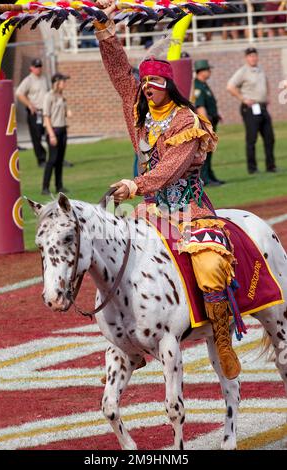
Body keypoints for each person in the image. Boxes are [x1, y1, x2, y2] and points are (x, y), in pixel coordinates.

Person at [92, 0, 244, 381]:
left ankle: (222, 338)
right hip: (148, 212)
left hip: (189, 209)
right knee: (108, 256)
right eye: (144, 83)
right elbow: (119, 77)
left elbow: (171, 168)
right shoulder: (139, 112)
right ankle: (130, 344)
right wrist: (105, 31)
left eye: (155, 83)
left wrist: (134, 183)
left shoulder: (187, 121)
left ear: (169, 86)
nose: (147, 88)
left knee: (209, 267)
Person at [227, 47, 276, 174]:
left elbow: (266, 83)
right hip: (250, 108)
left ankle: (271, 166)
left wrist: (267, 97)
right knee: (252, 138)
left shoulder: (260, 70)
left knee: (269, 137)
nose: (253, 58)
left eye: (254, 56)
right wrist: (243, 99)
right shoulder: (243, 71)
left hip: (262, 107)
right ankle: (252, 168)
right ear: (246, 58)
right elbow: (230, 86)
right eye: (250, 56)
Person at [193, 59, 224, 186]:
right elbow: (200, 107)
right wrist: (207, 126)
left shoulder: (204, 84)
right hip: (207, 124)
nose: (209, 71)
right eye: (208, 69)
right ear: (202, 71)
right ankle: (204, 178)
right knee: (205, 152)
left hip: (212, 120)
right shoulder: (198, 86)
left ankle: (210, 176)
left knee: (210, 151)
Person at [42, 73, 70, 195]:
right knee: (52, 160)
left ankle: (59, 186)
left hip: (62, 130)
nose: (65, 83)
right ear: (57, 82)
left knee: (59, 160)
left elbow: (61, 113)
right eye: (63, 81)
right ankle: (45, 188)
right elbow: (46, 117)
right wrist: (51, 135)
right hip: (54, 131)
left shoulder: (61, 96)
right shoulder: (49, 96)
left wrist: (67, 112)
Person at [16, 58, 48, 167]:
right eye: (36, 67)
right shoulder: (28, 80)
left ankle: (56, 158)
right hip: (35, 113)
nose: (38, 69)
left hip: (46, 112)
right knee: (37, 137)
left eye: (40, 66)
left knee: (51, 135)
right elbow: (19, 93)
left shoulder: (44, 78)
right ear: (31, 68)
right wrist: (29, 104)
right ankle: (41, 159)